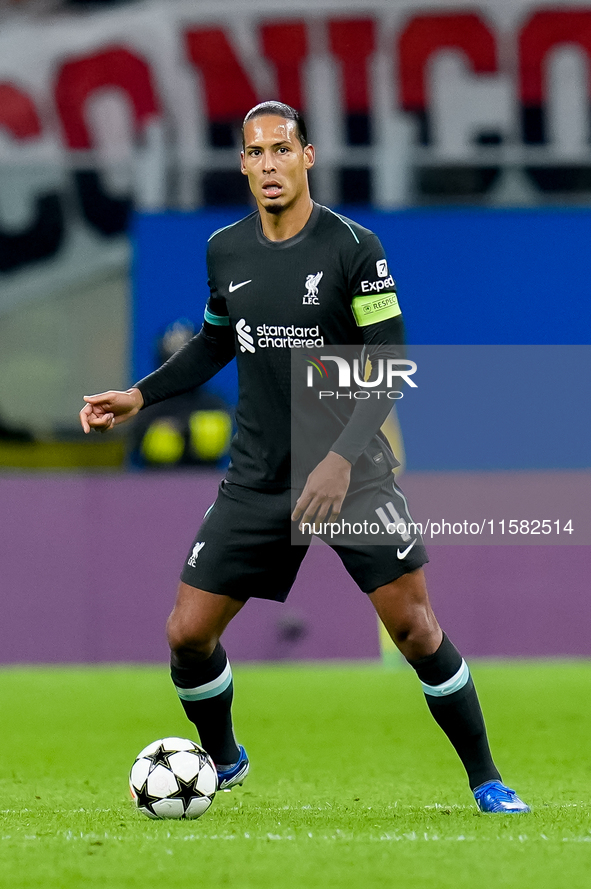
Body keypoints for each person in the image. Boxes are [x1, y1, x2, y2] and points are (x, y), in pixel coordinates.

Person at [80, 101, 529, 813]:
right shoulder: (225, 249)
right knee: (187, 633)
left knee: (415, 628)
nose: (268, 165)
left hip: (350, 473)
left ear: (307, 157)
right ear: (242, 165)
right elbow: (213, 341)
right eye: (254, 153)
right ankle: (224, 758)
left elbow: (390, 360)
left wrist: (342, 460)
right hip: (258, 475)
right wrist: (140, 396)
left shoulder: (354, 247)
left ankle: (486, 778)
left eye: (280, 150)